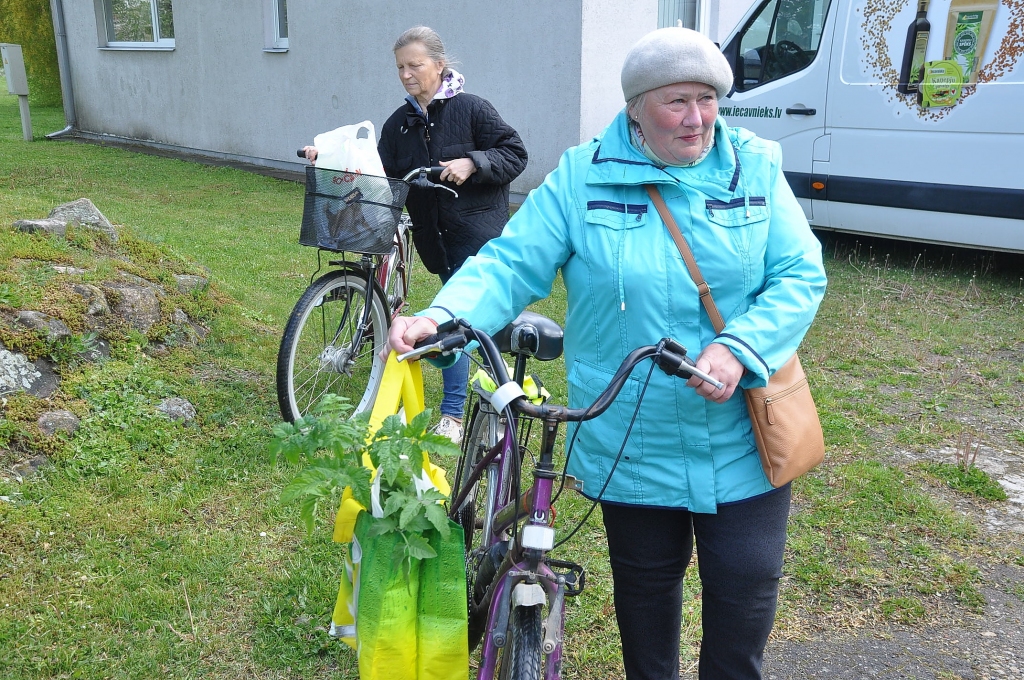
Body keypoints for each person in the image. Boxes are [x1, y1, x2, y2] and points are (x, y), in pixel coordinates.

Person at [386, 27, 827, 680]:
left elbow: (799, 272)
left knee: (744, 595)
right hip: (631, 436)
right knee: (646, 606)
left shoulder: (753, 165)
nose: (698, 118)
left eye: (708, 99)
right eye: (678, 101)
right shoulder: (582, 177)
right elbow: (511, 263)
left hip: (741, 436)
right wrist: (443, 313)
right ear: (636, 109)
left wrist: (740, 346)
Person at [304, 26, 527, 444]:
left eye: (415, 65)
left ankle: (454, 414)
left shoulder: (472, 109)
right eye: (400, 67)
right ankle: (489, 375)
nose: (406, 74)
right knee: (471, 322)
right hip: (434, 236)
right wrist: (329, 156)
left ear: (440, 66)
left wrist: (473, 162)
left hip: (476, 231)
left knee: (456, 320)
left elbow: (515, 153)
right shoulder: (400, 123)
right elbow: (377, 169)